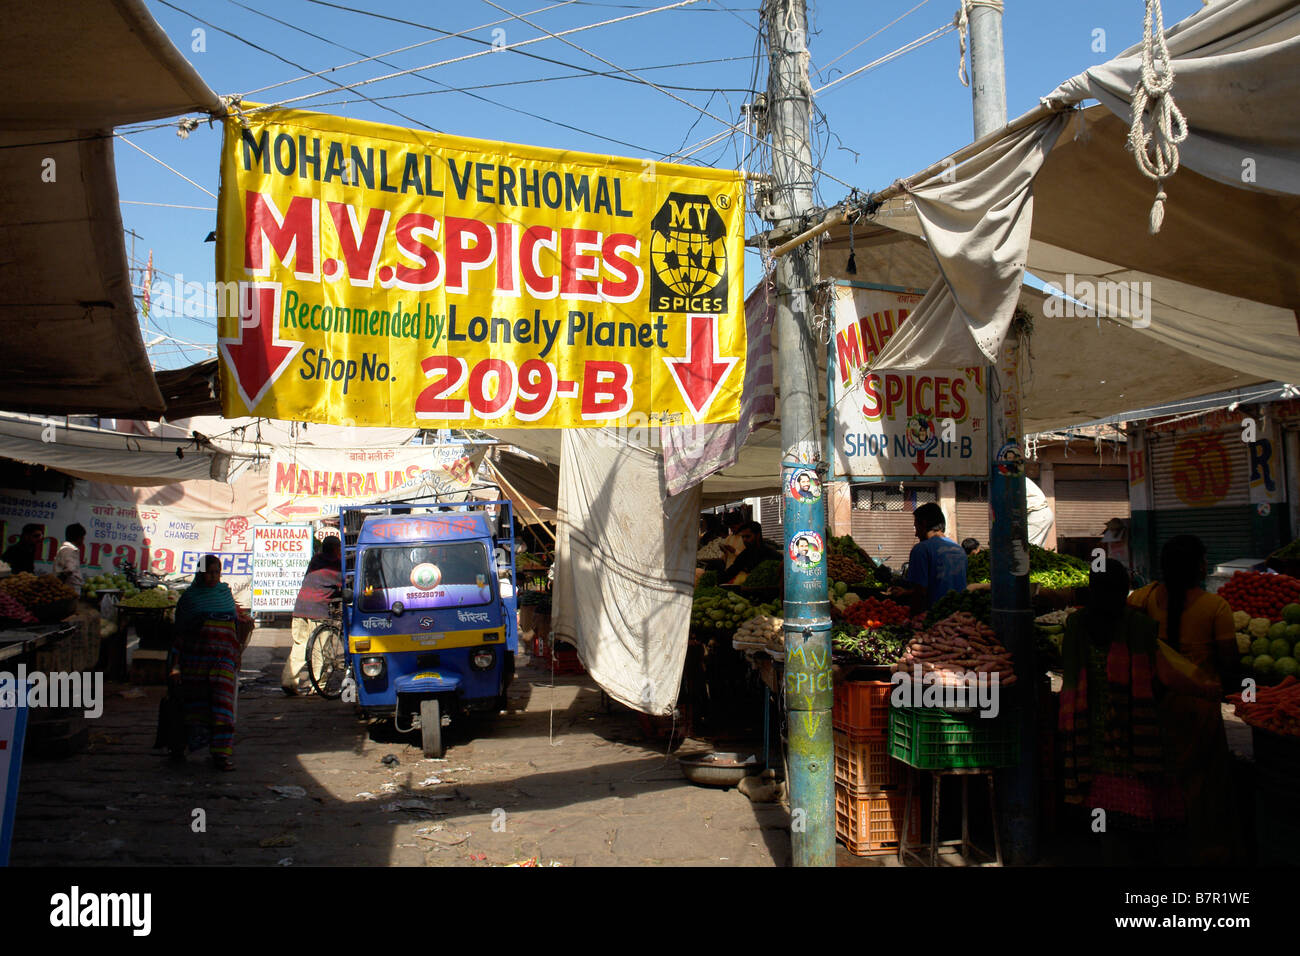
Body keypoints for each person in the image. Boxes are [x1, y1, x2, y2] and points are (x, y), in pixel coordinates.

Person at [1059, 560, 1193, 863]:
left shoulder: (1077, 625)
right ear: (1124, 591)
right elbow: (1161, 679)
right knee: (1144, 812)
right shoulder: (1139, 626)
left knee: (1105, 815)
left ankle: (1109, 855)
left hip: (1092, 735)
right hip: (1135, 733)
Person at [1127, 535, 1241, 864]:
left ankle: (1161, 847)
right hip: (1199, 714)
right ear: (1198, 566)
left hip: (1153, 708)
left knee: (1161, 781)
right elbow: (1230, 663)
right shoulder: (1215, 608)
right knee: (1203, 788)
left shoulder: (1141, 599)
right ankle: (1203, 851)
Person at [170, 555, 241, 770]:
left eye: (216, 572)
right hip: (195, 662)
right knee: (192, 707)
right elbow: (180, 633)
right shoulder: (190, 598)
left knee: (224, 707)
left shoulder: (224, 593)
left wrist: (237, 654)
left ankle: (221, 755)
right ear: (200, 573)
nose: (213, 577)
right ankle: (179, 746)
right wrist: (175, 666)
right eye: (209, 572)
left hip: (223, 661)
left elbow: (234, 627)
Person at [283, 536, 343, 696]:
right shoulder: (336, 565)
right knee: (319, 649)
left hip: (300, 608)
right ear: (337, 549)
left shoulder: (315, 560)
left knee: (300, 644)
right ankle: (318, 685)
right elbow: (344, 584)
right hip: (318, 611)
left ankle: (289, 681)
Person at [900, 503, 967, 608]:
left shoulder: (921, 549)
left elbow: (920, 593)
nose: (916, 534)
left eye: (916, 527)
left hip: (932, 617)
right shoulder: (959, 550)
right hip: (957, 617)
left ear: (924, 524)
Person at [54, 523, 86, 591]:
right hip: (70, 587)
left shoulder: (64, 549)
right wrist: (60, 584)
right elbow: (70, 569)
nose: (83, 540)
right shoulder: (70, 550)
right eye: (83, 537)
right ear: (79, 538)